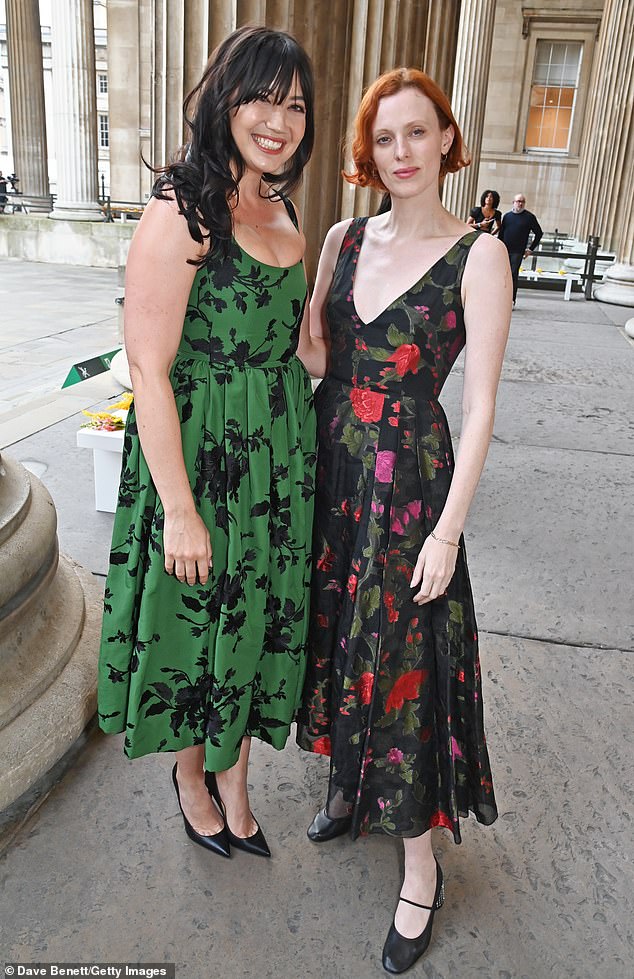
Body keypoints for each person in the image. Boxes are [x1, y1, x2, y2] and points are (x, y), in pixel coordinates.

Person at [297, 67, 511, 973]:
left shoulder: (480, 254)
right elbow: (314, 351)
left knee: (406, 667)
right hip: (334, 470)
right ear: (368, 152)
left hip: (415, 486)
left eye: (417, 133)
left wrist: (448, 531)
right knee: (342, 641)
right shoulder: (343, 237)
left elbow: (482, 408)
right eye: (385, 139)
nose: (401, 153)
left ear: (446, 139)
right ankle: (349, 790)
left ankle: (419, 869)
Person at [98, 26, 325, 860]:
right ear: (225, 97)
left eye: (296, 105)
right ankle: (194, 773)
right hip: (202, 453)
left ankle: (236, 773)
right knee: (203, 621)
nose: (279, 119)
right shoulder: (182, 208)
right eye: (264, 97)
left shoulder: (284, 206)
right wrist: (180, 510)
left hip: (277, 452)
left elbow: (298, 344)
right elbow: (148, 370)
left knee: (258, 614)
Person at [498, 194, 543, 305]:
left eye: (522, 201)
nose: (520, 203)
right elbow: (501, 233)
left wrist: (530, 249)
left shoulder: (529, 217)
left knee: (513, 274)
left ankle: (511, 299)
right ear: (513, 202)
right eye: (518, 201)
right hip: (505, 249)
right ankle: (501, 298)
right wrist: (498, 248)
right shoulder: (507, 216)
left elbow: (539, 233)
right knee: (502, 274)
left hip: (518, 251)